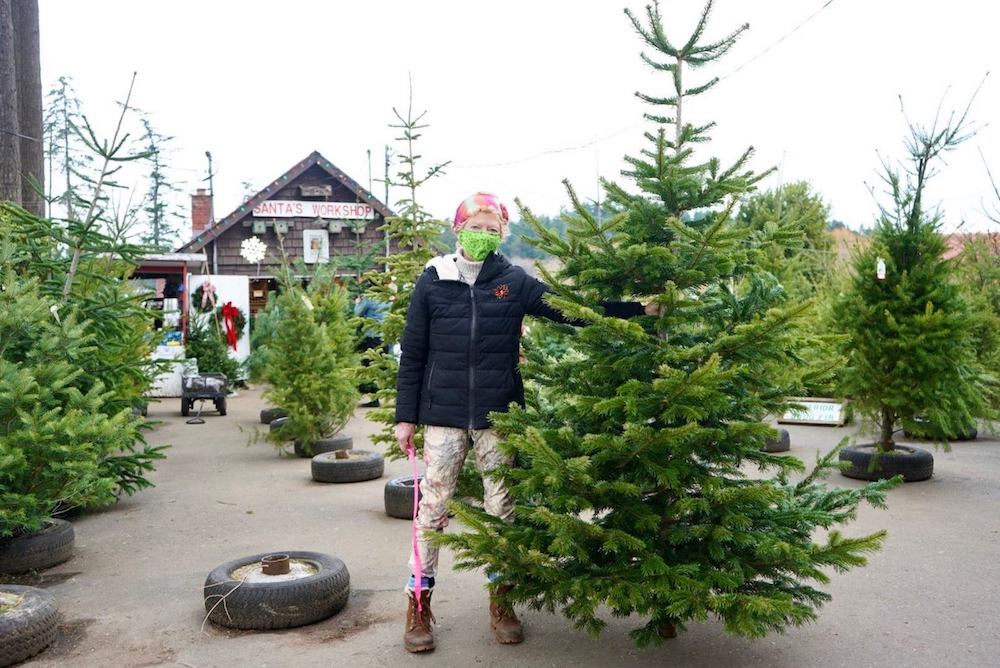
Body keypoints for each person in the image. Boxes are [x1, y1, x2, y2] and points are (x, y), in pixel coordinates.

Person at [394, 192, 655, 653]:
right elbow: (413, 352)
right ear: (458, 229)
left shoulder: (513, 281)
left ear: (501, 235)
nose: (482, 235)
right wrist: (405, 417)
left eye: (491, 230)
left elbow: (572, 309)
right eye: (475, 227)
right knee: (432, 512)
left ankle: (502, 601)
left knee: (503, 511)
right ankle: (419, 606)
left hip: (499, 416)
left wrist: (636, 309)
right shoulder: (433, 280)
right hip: (442, 417)